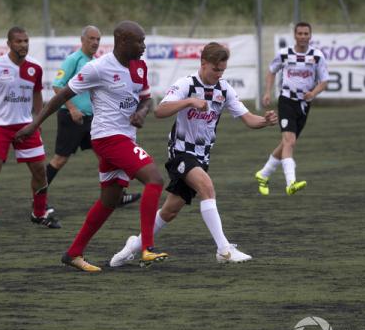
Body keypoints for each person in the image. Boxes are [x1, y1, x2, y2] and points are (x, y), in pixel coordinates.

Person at [16, 20, 168, 272]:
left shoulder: (139, 66)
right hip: (108, 137)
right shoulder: (97, 68)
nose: (143, 46)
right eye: (138, 41)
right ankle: (147, 248)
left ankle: (73, 253)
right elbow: (62, 95)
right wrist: (34, 125)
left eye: (144, 41)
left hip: (125, 137)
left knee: (109, 200)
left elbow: (146, 99)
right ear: (122, 41)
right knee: (154, 179)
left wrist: (141, 112)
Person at [110, 42, 278, 267]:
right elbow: (160, 111)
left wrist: (265, 121)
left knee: (169, 211)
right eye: (215, 69)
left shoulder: (224, 89)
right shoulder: (186, 85)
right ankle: (224, 250)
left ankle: (134, 246)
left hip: (202, 157)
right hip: (181, 152)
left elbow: (249, 119)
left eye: (222, 70)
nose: (219, 74)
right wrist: (189, 101)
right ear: (203, 64)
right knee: (207, 188)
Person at [0, 26, 60, 231]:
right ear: (9, 44)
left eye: (26, 41)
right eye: (19, 41)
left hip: (26, 126)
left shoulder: (35, 68)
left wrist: (37, 122)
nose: (23, 45)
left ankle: (39, 214)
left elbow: (37, 94)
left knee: (40, 171)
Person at [47, 26, 140, 211]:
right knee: (59, 160)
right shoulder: (73, 60)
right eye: (91, 38)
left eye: (98, 39)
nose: (95, 42)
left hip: (92, 121)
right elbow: (57, 86)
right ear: (82, 40)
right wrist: (72, 109)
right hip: (71, 118)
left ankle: (117, 196)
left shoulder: (95, 62)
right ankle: (39, 194)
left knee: (107, 156)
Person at [254, 22, 329, 196]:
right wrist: (267, 93)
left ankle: (263, 174)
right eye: (300, 33)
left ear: (310, 36)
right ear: (294, 35)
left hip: (303, 105)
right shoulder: (284, 54)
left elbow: (324, 81)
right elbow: (271, 71)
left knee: (286, 143)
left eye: (306, 34)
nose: (303, 36)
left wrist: (313, 93)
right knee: (290, 142)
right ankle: (291, 183)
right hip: (286, 100)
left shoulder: (317, 56)